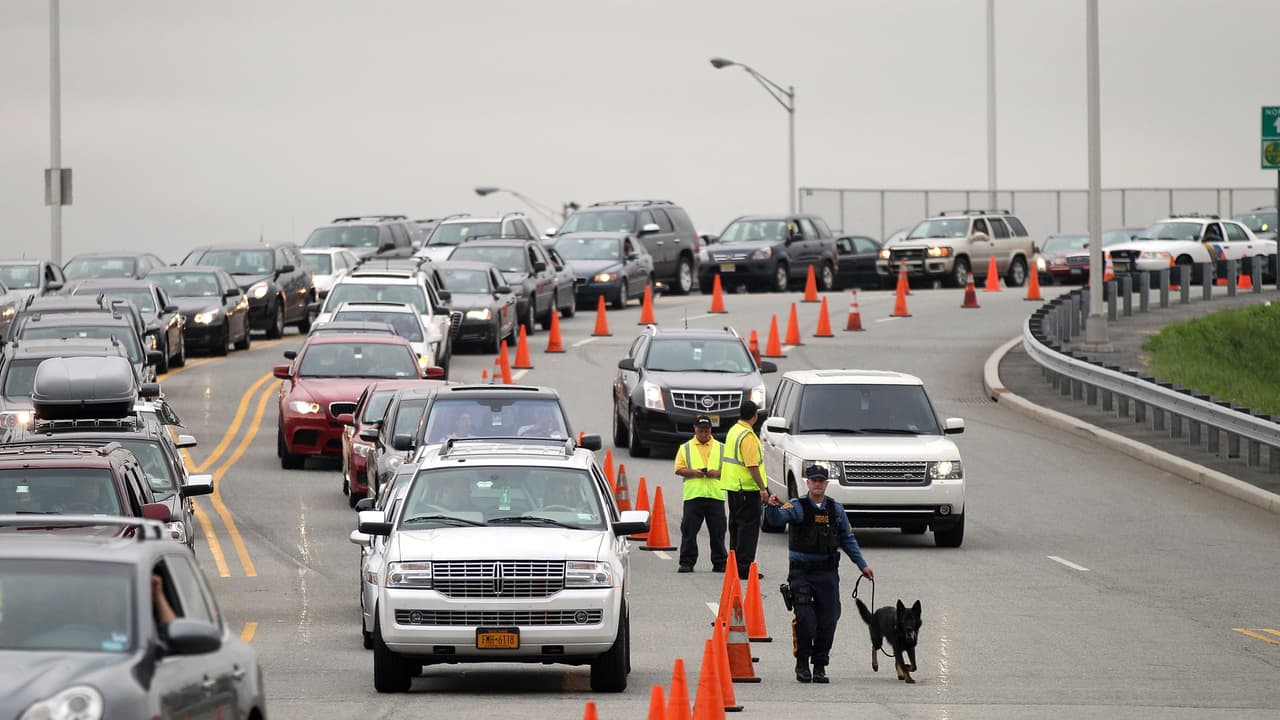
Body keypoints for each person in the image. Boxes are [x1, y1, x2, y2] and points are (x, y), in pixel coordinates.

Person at [765, 464, 874, 684]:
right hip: (801, 573)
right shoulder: (797, 506)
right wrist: (770, 506)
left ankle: (820, 665)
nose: (817, 484)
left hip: (827, 574)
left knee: (829, 619)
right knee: (805, 619)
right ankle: (802, 663)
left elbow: (847, 539)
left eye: (820, 481)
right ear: (808, 483)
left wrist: (862, 565)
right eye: (813, 480)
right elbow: (777, 519)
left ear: (826, 484)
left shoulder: (835, 509)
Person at [721, 399, 768, 581]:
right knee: (748, 530)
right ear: (755, 415)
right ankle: (744, 567)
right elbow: (752, 465)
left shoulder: (734, 430)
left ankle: (733, 564)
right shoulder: (747, 436)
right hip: (747, 489)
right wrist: (762, 489)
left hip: (733, 487)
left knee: (736, 527)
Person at [673, 415, 727, 573]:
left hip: (715, 495)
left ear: (711, 430)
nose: (704, 433)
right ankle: (687, 562)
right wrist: (694, 472)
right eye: (701, 430)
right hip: (694, 495)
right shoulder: (686, 448)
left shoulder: (721, 447)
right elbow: (678, 469)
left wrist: (717, 473)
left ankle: (720, 562)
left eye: (707, 430)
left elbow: (729, 470)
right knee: (689, 532)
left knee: (718, 532)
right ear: (695, 429)